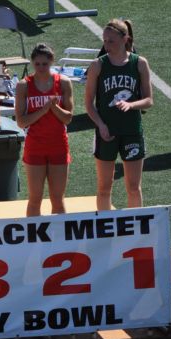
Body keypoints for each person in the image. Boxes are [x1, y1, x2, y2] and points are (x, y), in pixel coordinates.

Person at [85, 19, 153, 211]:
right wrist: (101, 125)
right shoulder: (97, 65)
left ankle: (136, 228)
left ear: (125, 39)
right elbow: (89, 104)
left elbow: (149, 100)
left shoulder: (139, 63)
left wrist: (131, 105)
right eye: (105, 41)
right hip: (106, 132)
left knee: (133, 187)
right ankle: (106, 228)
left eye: (111, 41)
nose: (106, 45)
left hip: (132, 131)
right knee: (104, 187)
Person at [14, 44, 74, 216]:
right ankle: (34, 240)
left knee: (57, 198)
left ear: (51, 62)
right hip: (35, 147)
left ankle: (60, 240)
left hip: (59, 145)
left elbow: (68, 118)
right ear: (33, 63)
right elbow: (21, 122)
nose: (41, 68)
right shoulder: (23, 86)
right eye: (37, 64)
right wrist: (46, 108)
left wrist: (54, 108)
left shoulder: (63, 83)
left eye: (45, 64)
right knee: (35, 198)